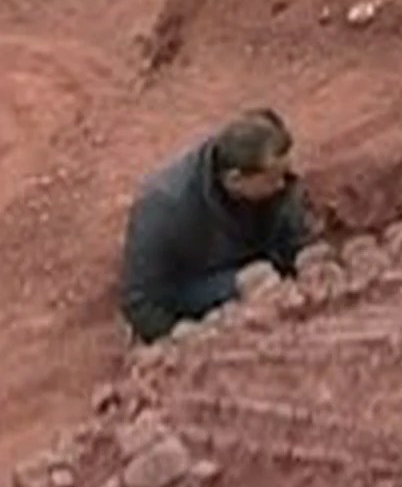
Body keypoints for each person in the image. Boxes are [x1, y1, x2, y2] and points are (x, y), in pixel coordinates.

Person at [120, 108, 315, 343]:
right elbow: (140, 301)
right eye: (273, 179)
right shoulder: (164, 208)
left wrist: (304, 256)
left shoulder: (271, 183)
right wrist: (182, 334)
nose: (283, 184)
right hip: (191, 287)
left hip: (255, 263)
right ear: (235, 179)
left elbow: (291, 230)